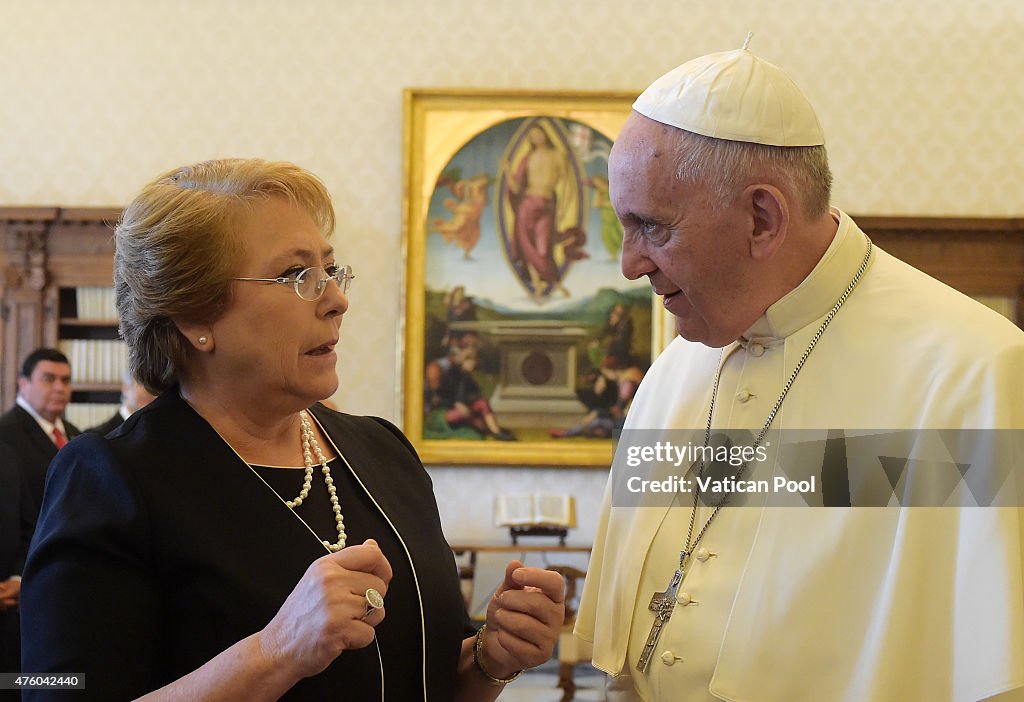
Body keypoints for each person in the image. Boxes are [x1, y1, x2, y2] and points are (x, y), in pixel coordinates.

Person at [575, 44, 1024, 701]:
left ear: (762, 217)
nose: (631, 265)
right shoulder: (675, 370)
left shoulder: (971, 376)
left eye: (652, 228)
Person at [20, 159, 563, 701]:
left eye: (330, 270)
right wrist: (275, 653)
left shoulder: (383, 451)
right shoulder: (108, 480)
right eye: (296, 276)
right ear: (194, 317)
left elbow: (419, 679)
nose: (336, 299)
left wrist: (488, 660)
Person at [0, 348, 79, 697]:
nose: (59, 388)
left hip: (64, 587)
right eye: (48, 379)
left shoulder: (76, 437)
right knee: (16, 685)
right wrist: (17, 575)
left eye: (65, 380)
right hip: (16, 591)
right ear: (23, 383)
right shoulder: (5, 435)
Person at [86, 373, 156, 435]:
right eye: (143, 384)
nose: (151, 391)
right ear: (126, 388)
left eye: (155, 386)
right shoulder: (99, 436)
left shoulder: (162, 429)